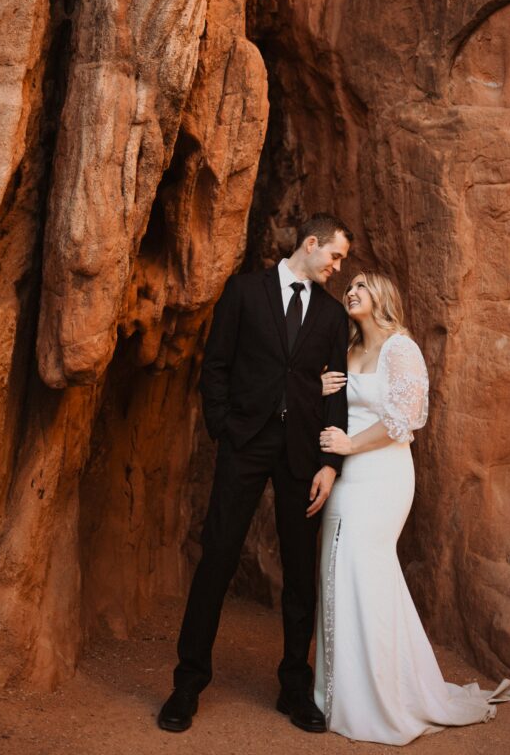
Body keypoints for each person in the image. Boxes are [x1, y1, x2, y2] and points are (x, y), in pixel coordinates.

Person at [158, 213, 353, 734]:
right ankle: (187, 683)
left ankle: (294, 687)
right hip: (244, 445)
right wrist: (225, 428)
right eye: (334, 256)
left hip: (303, 457)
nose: (337, 267)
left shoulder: (333, 318)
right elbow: (215, 366)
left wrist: (331, 465)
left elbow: (337, 393)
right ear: (310, 244)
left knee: (298, 574)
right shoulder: (244, 292)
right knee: (217, 559)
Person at [316, 271, 510, 745]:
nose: (352, 291)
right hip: (348, 476)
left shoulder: (400, 348)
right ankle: (339, 692)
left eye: (362, 285)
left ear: (382, 296)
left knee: (369, 568)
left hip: (382, 472)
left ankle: (386, 697)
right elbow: (335, 409)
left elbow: (402, 420)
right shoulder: (345, 351)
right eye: (349, 285)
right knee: (337, 570)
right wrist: (321, 388)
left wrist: (347, 447)